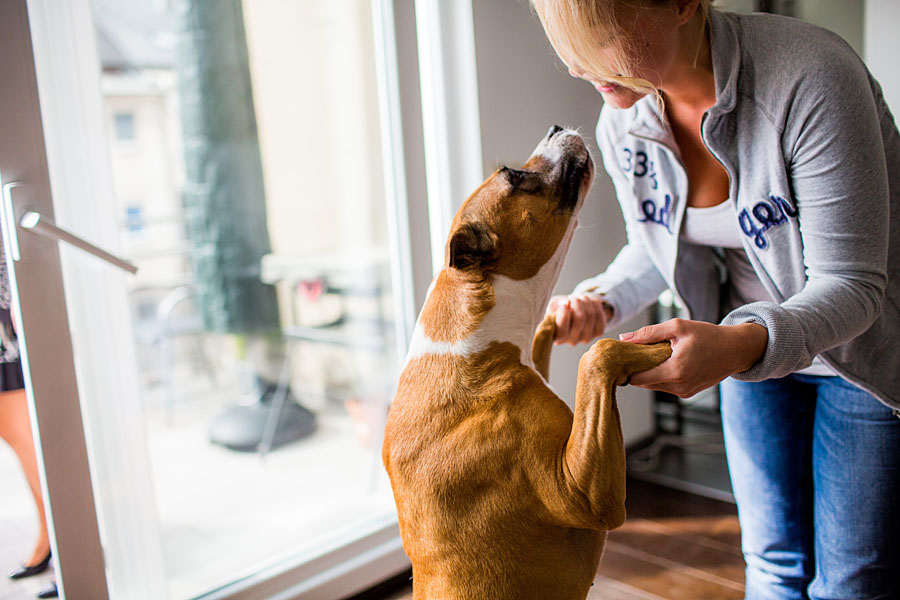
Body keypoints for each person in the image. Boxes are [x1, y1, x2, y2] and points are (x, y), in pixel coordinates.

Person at [530, 0, 900, 598]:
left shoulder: (811, 78)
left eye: (597, 37)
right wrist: (602, 301)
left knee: (853, 582)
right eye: (564, 43)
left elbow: (855, 285)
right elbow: (657, 245)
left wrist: (736, 345)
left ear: (681, 4)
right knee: (772, 562)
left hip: (861, 356)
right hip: (749, 356)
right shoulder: (622, 121)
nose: (575, 66)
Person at [0, 240, 53, 591]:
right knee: (19, 441)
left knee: (34, 450)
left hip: (8, 334)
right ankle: (52, 539)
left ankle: (64, 546)